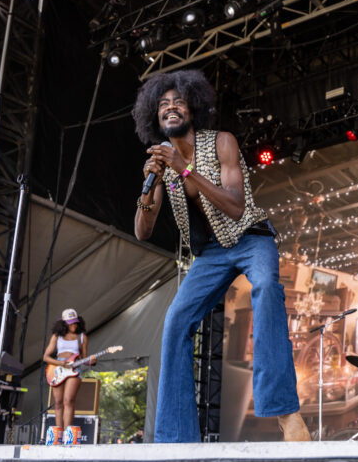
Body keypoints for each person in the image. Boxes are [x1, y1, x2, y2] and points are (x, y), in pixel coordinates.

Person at [132, 69, 310, 443]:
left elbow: (235, 206)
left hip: (250, 237)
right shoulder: (163, 165)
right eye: (163, 104)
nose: (170, 107)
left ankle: (285, 413)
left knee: (266, 288)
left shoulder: (221, 142)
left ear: (193, 110)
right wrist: (149, 190)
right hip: (211, 254)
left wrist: (184, 169)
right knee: (176, 321)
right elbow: (142, 232)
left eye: (178, 102)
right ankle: (176, 438)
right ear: (155, 116)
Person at [42, 308, 96, 431]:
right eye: (71, 323)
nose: (74, 325)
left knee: (69, 400)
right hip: (58, 369)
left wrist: (91, 361)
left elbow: (84, 358)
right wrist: (60, 363)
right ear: (64, 323)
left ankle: (67, 433)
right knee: (58, 402)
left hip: (74, 369)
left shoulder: (82, 337)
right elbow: (46, 357)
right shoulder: (57, 336)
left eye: (75, 322)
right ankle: (58, 433)